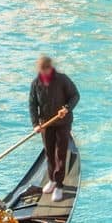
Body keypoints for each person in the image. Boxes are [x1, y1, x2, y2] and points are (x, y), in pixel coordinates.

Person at [29, 56, 79, 199]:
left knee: (60, 154)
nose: (44, 72)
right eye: (41, 70)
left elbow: (75, 96)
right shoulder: (35, 83)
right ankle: (51, 179)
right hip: (46, 124)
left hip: (62, 123)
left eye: (46, 69)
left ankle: (59, 185)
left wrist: (67, 108)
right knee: (49, 153)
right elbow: (32, 105)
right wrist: (35, 124)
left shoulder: (62, 79)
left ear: (50, 68)